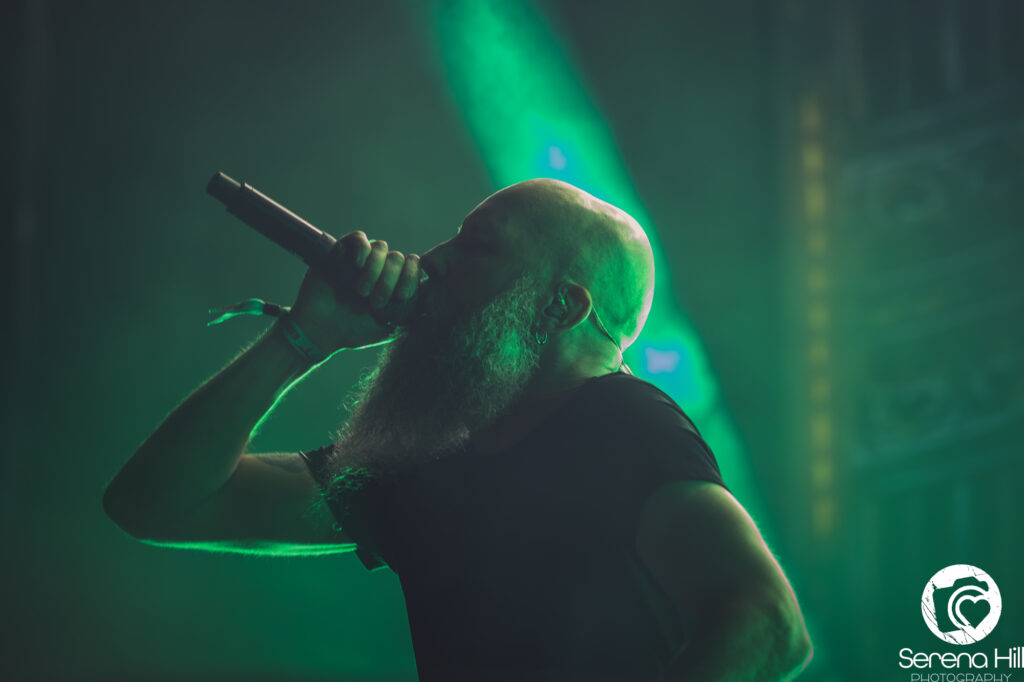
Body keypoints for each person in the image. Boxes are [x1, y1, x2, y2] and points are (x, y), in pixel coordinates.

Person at [104, 178, 812, 682]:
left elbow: (768, 626)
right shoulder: (422, 459)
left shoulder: (621, 422)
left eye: (477, 248)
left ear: (563, 306)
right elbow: (158, 503)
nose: (432, 261)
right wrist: (301, 337)